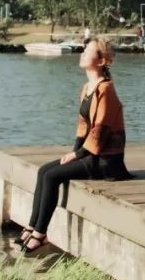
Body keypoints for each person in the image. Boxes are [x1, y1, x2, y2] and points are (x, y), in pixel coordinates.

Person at [17, 39, 132, 254]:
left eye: (88, 51)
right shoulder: (88, 88)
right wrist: (74, 152)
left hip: (106, 161)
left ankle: (40, 235)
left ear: (101, 61)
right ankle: (31, 226)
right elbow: (83, 126)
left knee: (52, 177)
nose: (82, 53)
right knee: (44, 170)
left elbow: (101, 129)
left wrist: (78, 155)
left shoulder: (106, 89)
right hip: (90, 154)